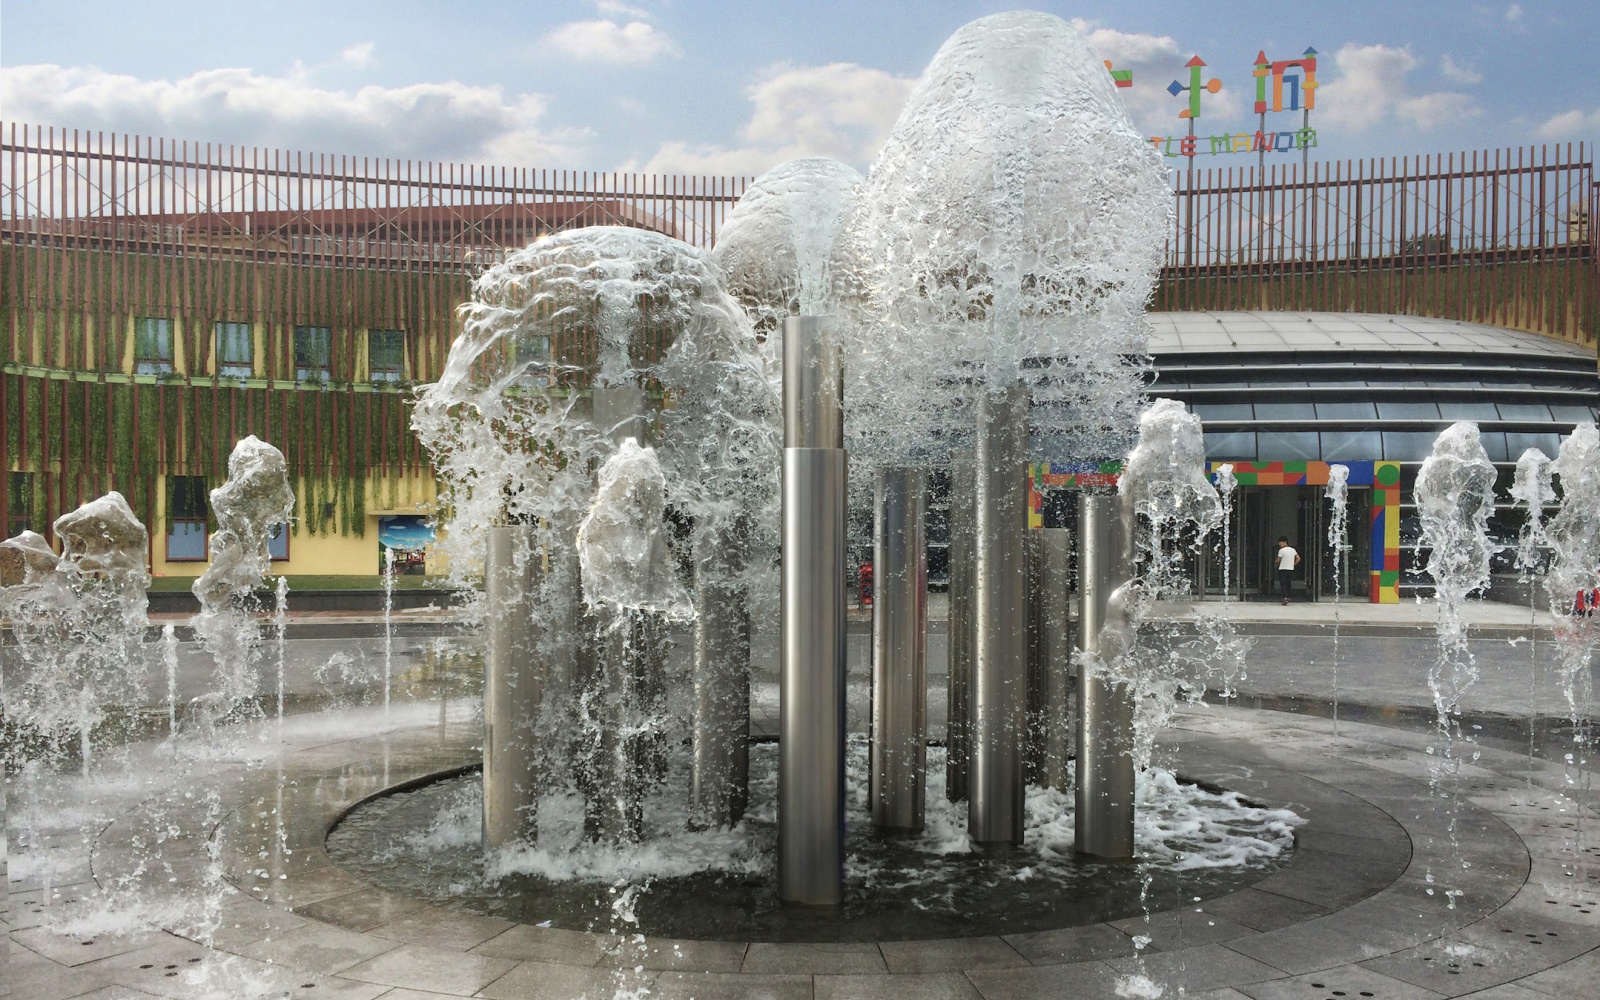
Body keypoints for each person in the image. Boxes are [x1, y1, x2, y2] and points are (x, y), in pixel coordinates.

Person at [1275, 536, 1300, 605]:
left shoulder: (1281, 550)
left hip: (1282, 569)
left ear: (1285, 542)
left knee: (1283, 584)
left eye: (1281, 542)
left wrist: (1276, 562)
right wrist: (1293, 564)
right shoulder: (1293, 550)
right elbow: (1298, 558)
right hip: (1290, 569)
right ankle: (1288, 596)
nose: (1280, 544)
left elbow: (1278, 559)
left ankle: (1285, 597)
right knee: (1288, 583)